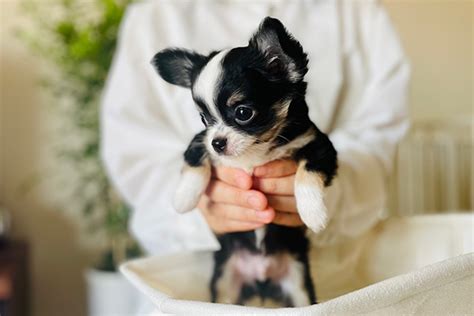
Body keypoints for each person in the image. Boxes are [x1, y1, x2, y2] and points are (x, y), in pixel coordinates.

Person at [102, 0, 409, 261]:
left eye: (242, 113)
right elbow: (134, 160)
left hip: (332, 272)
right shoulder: (156, 16)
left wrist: (326, 191)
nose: (217, 134)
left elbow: (378, 138)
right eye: (207, 120)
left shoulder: (354, 10)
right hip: (195, 277)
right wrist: (202, 210)